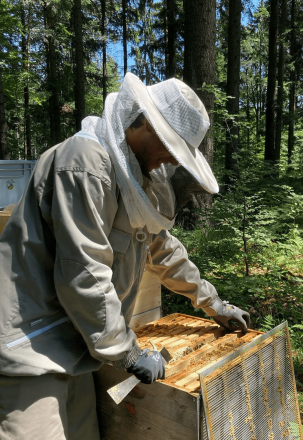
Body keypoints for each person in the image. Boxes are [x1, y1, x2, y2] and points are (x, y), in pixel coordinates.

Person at [0, 73, 251, 439]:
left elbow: (166, 251)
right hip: (31, 349)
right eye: (170, 146)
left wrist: (216, 305)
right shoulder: (86, 162)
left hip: (79, 346)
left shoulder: (136, 183)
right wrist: (128, 354)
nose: (169, 159)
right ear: (145, 124)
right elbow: (84, 272)